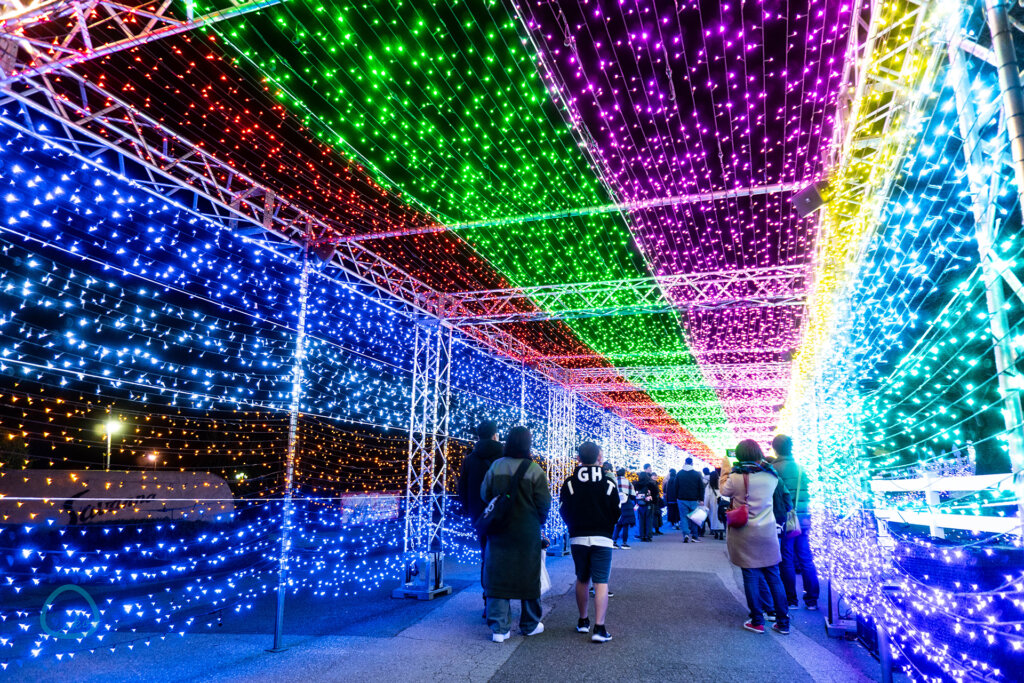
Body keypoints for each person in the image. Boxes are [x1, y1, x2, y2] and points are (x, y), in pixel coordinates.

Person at [480, 426, 552, 643]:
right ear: (527, 444)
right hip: (527, 531)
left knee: (497, 574)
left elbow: (485, 494)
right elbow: (544, 503)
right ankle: (529, 624)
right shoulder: (535, 470)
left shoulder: (496, 466)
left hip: (499, 530)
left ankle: (499, 629)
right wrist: (536, 520)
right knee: (528, 575)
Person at [721, 439, 790, 635]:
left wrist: (726, 469)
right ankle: (783, 622)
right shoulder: (771, 476)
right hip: (767, 532)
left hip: (744, 533)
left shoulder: (736, 477)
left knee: (750, 576)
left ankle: (757, 621)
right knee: (774, 576)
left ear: (740, 456)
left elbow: (725, 491)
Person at [560, 441, 621, 643]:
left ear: (578, 459)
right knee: (601, 581)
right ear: (599, 458)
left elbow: (564, 511)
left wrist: (573, 526)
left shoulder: (569, 482)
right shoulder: (609, 482)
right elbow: (616, 512)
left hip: (578, 536)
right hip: (602, 537)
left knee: (582, 579)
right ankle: (600, 628)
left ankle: (583, 620)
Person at [458, 420, 504, 617]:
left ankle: (488, 600)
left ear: (478, 437)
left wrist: (472, 512)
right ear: (495, 435)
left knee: (486, 557)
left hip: (480, 518)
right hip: (504, 515)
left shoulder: (469, 459)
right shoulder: (505, 457)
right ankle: (502, 602)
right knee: (505, 557)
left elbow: (462, 490)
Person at [772, 434, 820, 610]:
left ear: (775, 449)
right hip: (804, 517)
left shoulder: (774, 469)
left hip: (787, 519)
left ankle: (791, 600)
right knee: (806, 558)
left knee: (787, 558)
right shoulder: (801, 468)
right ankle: (812, 599)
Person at [672, 457, 704, 542]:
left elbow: (675, 487)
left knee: (684, 517)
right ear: (692, 463)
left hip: (682, 499)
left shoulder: (679, 473)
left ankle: (685, 534)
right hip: (694, 499)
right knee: (694, 517)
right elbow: (701, 487)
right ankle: (694, 536)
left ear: (685, 463)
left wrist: (676, 497)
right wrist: (701, 499)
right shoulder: (696, 474)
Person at [612, 468, 635, 549]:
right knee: (625, 524)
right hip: (626, 505)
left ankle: (614, 542)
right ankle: (624, 543)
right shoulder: (628, 482)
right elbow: (633, 495)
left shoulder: (613, 481)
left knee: (618, 524)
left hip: (616, 504)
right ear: (624, 473)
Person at [634, 470, 656, 542]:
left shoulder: (636, 484)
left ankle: (642, 535)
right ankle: (648, 536)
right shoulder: (650, 484)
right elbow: (655, 494)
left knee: (641, 520)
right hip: (649, 504)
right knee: (649, 520)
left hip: (639, 504)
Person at [704, 469, 725, 540]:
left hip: (713, 503)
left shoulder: (709, 486)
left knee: (713, 517)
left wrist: (706, 505)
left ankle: (716, 532)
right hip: (721, 503)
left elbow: (707, 496)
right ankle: (722, 532)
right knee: (721, 516)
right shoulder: (721, 483)